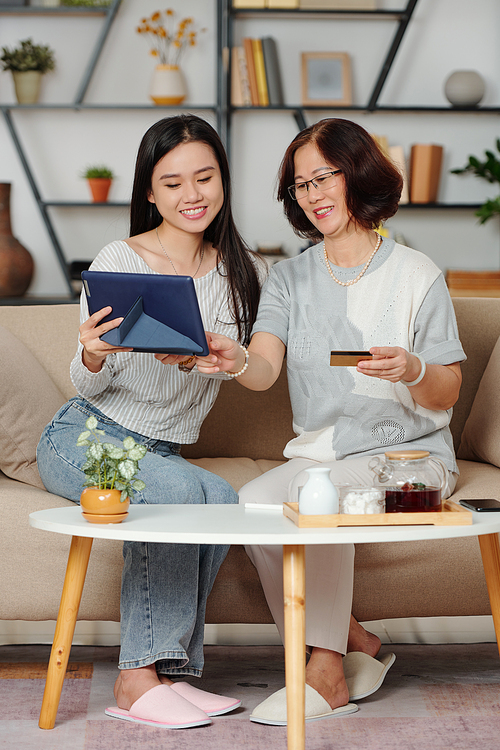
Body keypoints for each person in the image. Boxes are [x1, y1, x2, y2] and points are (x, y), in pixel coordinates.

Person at [197, 118, 465, 725]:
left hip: (411, 458)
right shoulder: (289, 277)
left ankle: (323, 667)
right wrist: (235, 357)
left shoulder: (417, 274)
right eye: (300, 184)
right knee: (257, 504)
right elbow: (263, 367)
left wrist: (414, 368)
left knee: (318, 500)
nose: (314, 194)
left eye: (326, 177)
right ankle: (357, 642)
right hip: (324, 454)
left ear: (359, 175)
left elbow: (445, 393)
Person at [36, 114, 263, 730]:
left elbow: (245, 366)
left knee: (218, 498)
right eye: (173, 183)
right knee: (182, 494)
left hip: (158, 449)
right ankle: (137, 677)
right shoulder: (121, 258)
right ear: (149, 193)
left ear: (223, 180)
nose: (192, 196)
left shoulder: (242, 274)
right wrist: (91, 351)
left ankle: (172, 675)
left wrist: (212, 359)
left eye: (205, 177)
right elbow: (91, 380)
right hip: (84, 435)